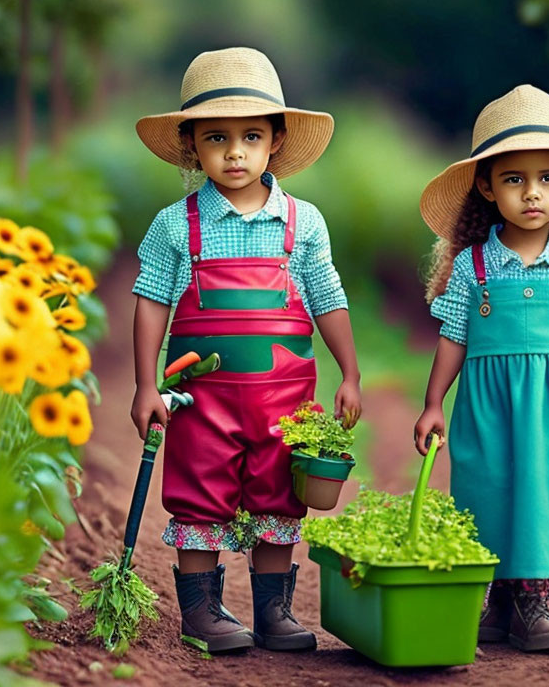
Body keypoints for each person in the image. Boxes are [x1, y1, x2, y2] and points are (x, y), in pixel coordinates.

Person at [131, 47, 361, 653]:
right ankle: (202, 612)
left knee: (278, 490)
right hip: (199, 397)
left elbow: (328, 297)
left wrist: (351, 374)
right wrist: (144, 385)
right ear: (192, 146)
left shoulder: (303, 222)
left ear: (275, 141)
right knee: (200, 491)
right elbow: (152, 302)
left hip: (284, 398)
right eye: (216, 138)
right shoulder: (176, 225)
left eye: (251, 136)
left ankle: (273, 613)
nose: (235, 152)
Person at [414, 85, 549, 653]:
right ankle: (502, 602)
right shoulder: (472, 266)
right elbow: (453, 338)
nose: (531, 193)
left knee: (545, 496)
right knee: (491, 493)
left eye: (547, 178)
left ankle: (532, 603)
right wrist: (435, 402)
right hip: (491, 407)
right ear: (486, 186)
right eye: (514, 179)